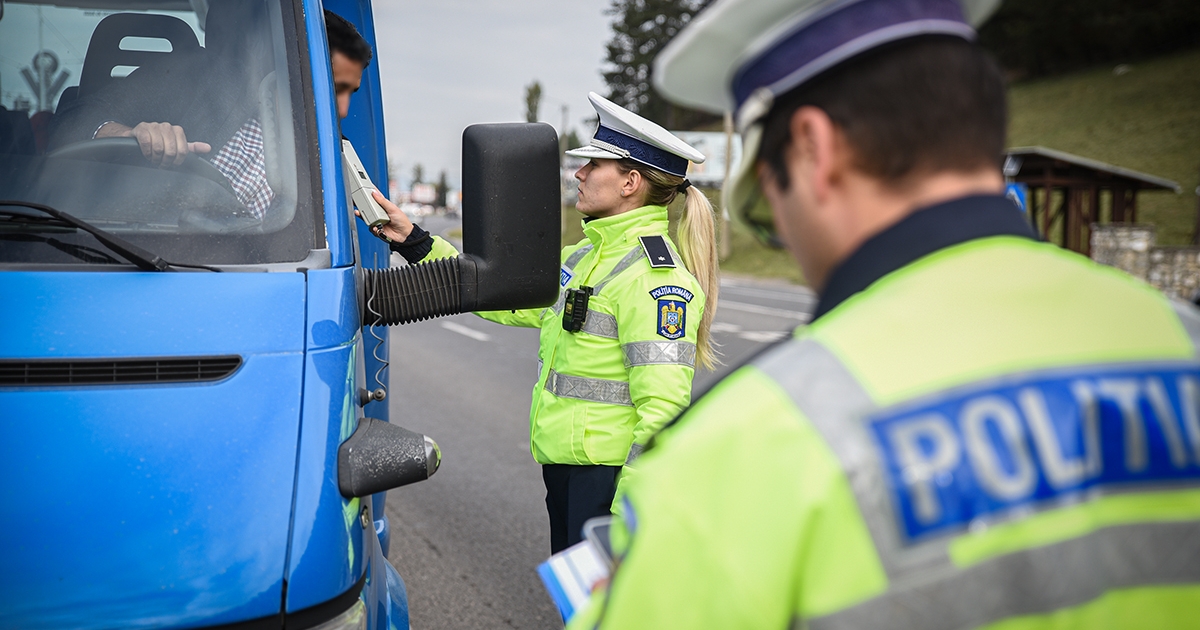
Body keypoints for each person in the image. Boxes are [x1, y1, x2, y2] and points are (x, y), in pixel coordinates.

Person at [568, 0, 1200, 628]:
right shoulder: (1182, 340)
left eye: (764, 201)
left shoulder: (741, 450)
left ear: (814, 148)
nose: (781, 226)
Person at [366, 92, 721, 553]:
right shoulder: (585, 256)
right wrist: (414, 242)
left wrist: (627, 514)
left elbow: (664, 411)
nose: (579, 173)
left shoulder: (654, 281)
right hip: (569, 470)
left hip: (608, 481)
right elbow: (501, 298)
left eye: (594, 165)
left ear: (630, 182)